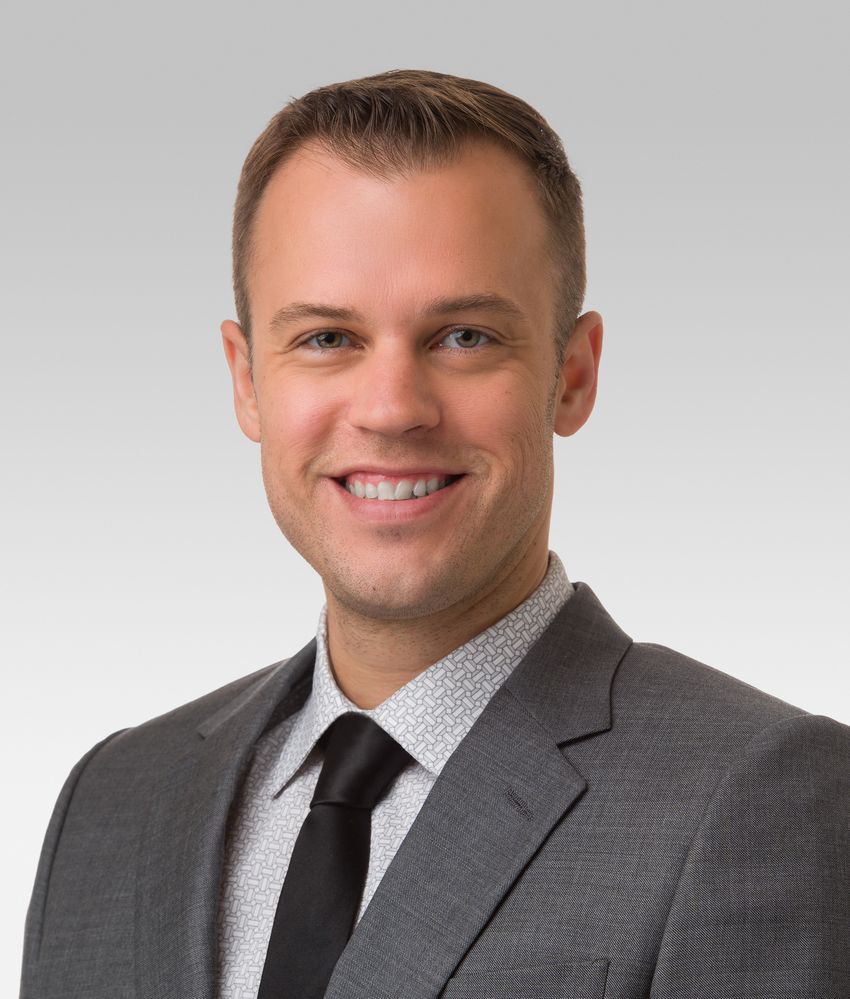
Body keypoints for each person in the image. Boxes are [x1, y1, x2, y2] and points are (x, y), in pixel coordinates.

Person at [21, 69, 849, 999]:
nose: (391, 409)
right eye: (328, 338)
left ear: (572, 375)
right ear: (247, 379)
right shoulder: (112, 801)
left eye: (464, 336)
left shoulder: (758, 796)